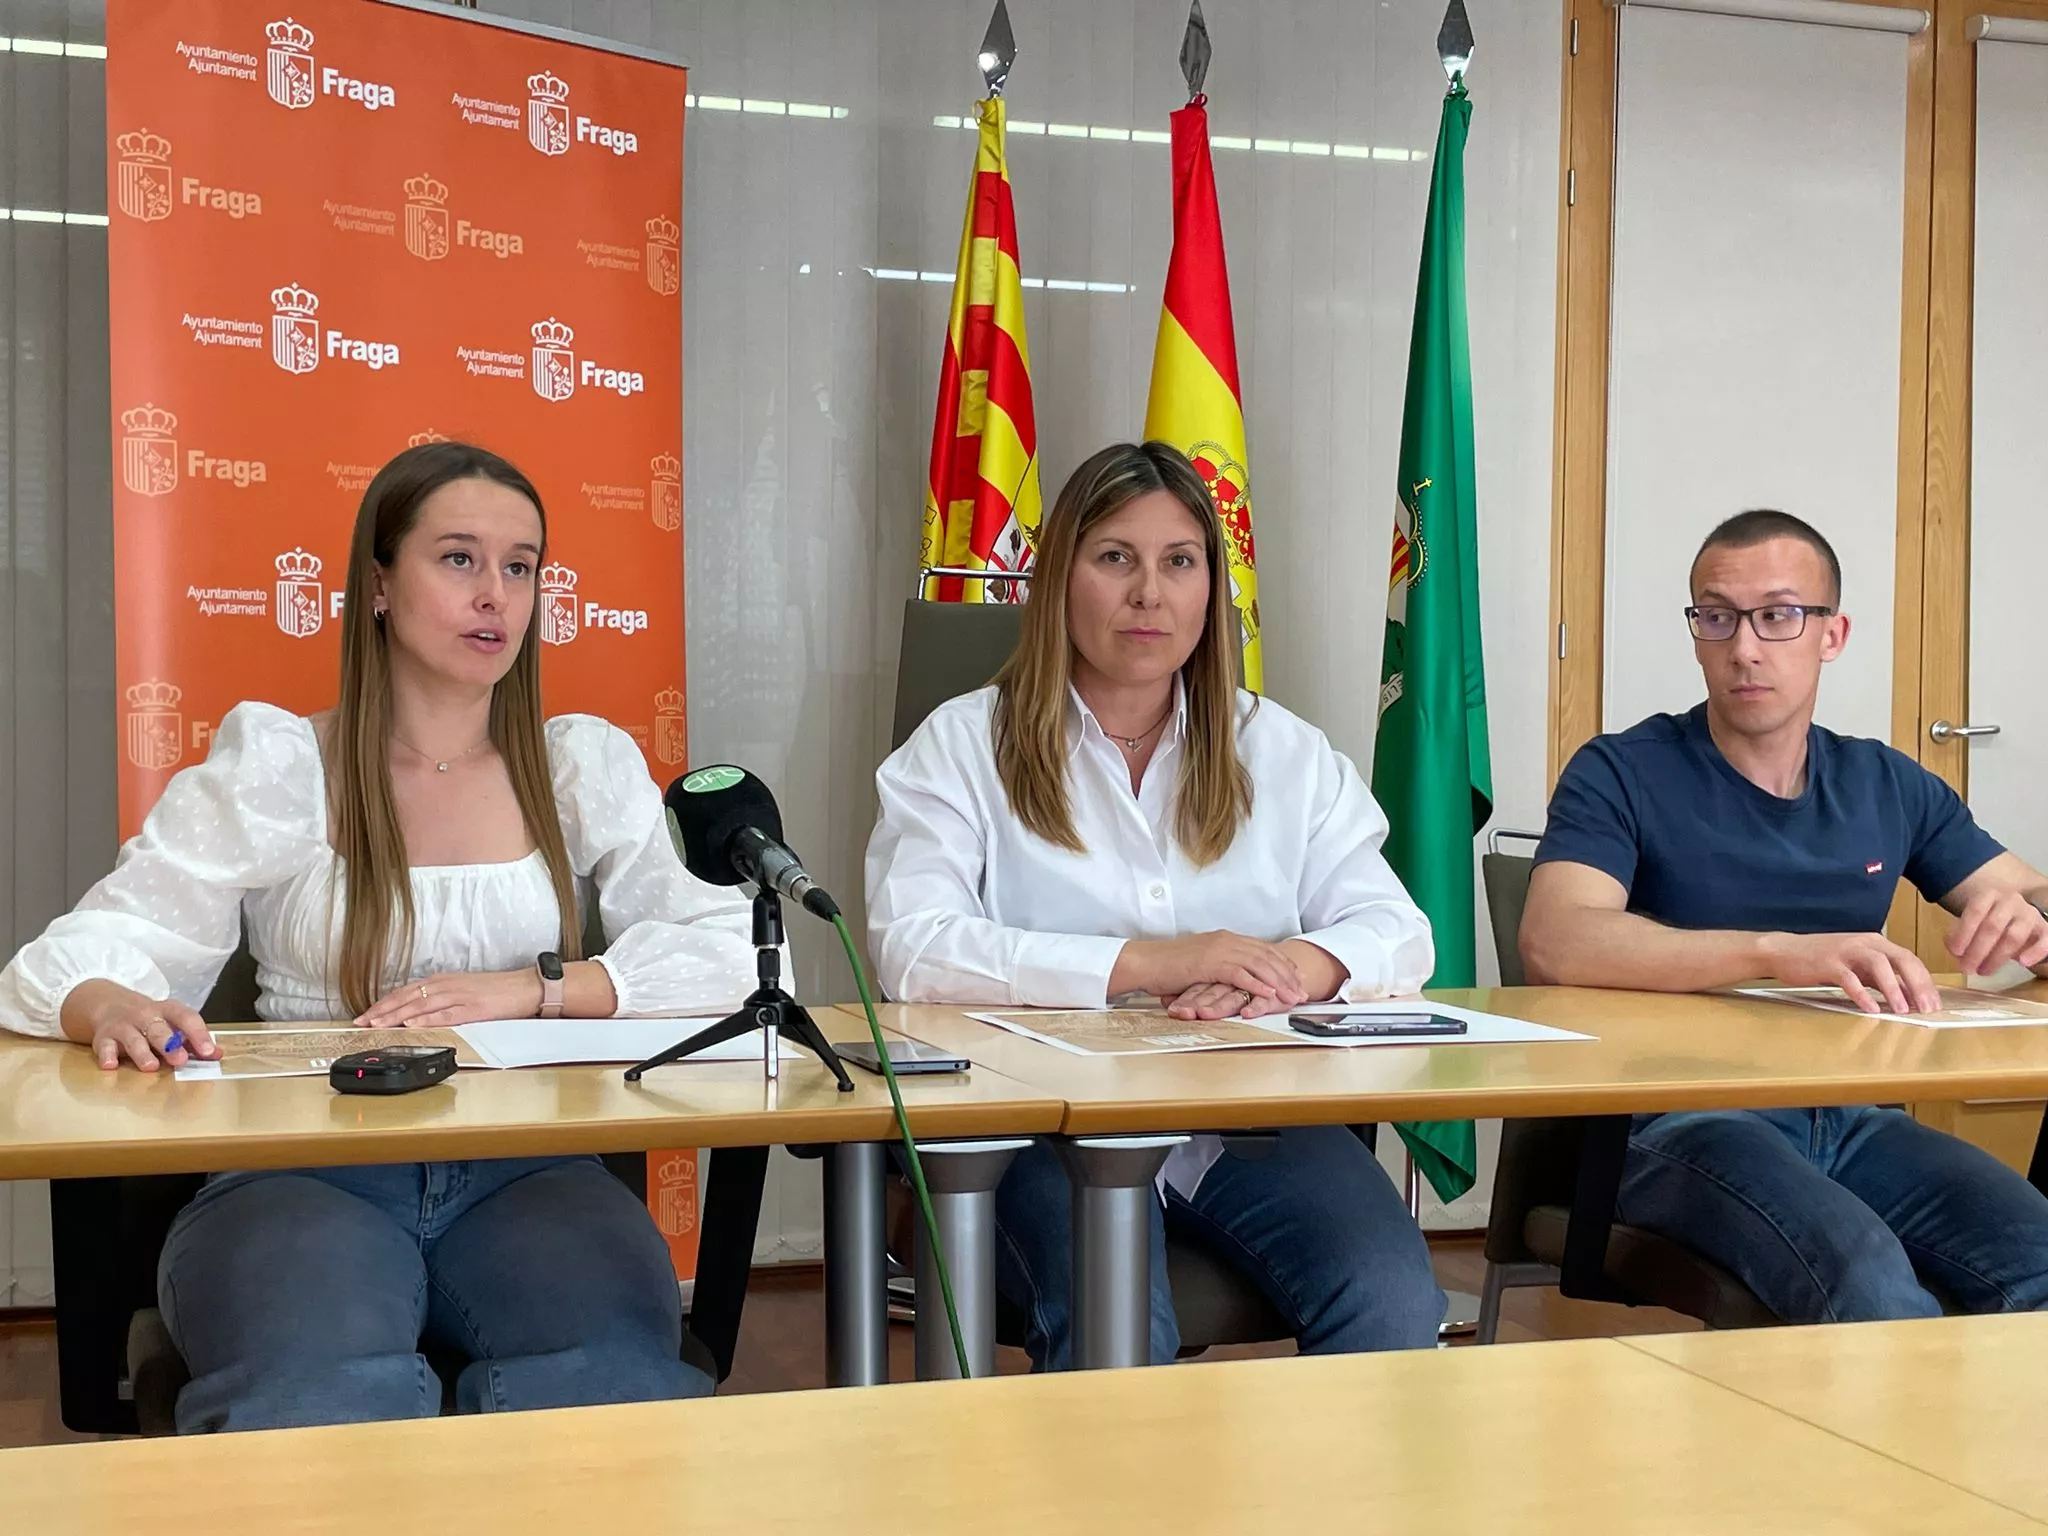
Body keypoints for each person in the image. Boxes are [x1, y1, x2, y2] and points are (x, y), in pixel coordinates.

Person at [0, 441, 758, 1431]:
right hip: (299, 1175)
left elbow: (739, 954)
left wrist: (534, 987)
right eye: (457, 559)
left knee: (611, 1387)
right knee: (314, 1400)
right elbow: (78, 954)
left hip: (536, 1168)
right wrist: (108, 1002)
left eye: (519, 566)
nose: (494, 594)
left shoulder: (582, 767)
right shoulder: (278, 766)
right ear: (379, 587)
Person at [865, 440, 1444, 1369]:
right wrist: (1158, 962)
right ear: (1060, 578)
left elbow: (1397, 930)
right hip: (1041, 1130)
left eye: (1180, 562)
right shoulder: (962, 746)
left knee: (1392, 1299)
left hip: (1247, 1120)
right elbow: (916, 948)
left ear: (1212, 588)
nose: (1151, 594)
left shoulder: (1281, 750)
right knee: (1121, 1328)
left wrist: (1294, 966)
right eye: (1115, 559)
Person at [1521, 507, 2048, 1323]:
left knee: (2037, 1254)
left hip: (1855, 1115)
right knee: (1870, 1288)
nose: (1745, 646)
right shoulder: (1622, 770)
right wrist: (1779, 951)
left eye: (1778, 615)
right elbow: (1556, 939)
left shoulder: (1886, 783)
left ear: (1831, 636)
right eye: (1717, 616)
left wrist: (2034, 925)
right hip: (1676, 1124)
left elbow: (2024, 891)